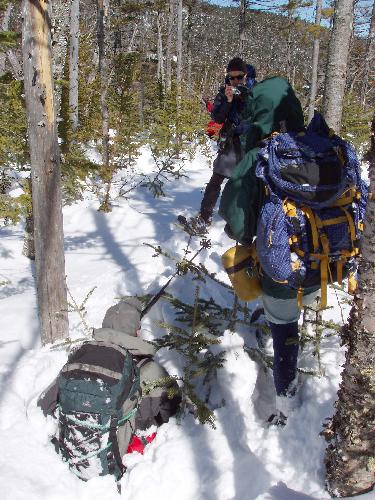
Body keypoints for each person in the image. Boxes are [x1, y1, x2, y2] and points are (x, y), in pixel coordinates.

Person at [218, 76, 318, 425]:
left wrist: (244, 235)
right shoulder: (321, 147)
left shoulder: (261, 156)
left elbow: (237, 220)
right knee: (294, 307)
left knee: (284, 325)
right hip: (322, 261)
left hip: (283, 268)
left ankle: (286, 407)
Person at [38, 298, 181, 456]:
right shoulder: (149, 369)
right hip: (115, 459)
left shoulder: (79, 360)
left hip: (69, 454)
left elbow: (43, 406)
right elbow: (173, 410)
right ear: (136, 331)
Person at [198, 57, 257, 225]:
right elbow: (217, 117)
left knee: (247, 183)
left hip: (251, 142)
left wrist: (247, 97)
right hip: (231, 140)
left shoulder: (256, 90)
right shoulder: (225, 91)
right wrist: (228, 101)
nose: (236, 80)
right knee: (217, 177)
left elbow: (261, 113)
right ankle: (204, 216)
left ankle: (244, 221)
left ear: (246, 74)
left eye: (240, 76)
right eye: (232, 77)